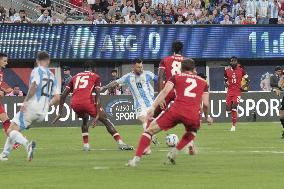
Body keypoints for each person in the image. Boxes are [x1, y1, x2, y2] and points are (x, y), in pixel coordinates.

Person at [126, 59, 213, 167]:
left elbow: (165, 92)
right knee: (192, 131)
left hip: (176, 110)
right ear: (194, 69)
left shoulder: (176, 77)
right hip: (192, 114)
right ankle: (174, 152)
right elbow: (205, 104)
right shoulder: (204, 82)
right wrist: (207, 116)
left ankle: (135, 160)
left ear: (181, 68)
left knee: (149, 131)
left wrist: (153, 107)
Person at [53, 62, 133, 151]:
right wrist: (98, 114)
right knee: (106, 121)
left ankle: (86, 145)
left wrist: (60, 112)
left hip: (75, 103)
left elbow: (63, 95)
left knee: (85, 120)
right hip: (87, 102)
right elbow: (98, 97)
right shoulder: (95, 76)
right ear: (93, 68)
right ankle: (121, 143)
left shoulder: (75, 77)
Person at [0, 51, 60, 161]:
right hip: (43, 112)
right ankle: (4, 155)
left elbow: (34, 86)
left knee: (10, 130)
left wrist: (26, 102)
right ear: (49, 61)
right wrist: (47, 105)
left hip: (32, 107)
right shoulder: (52, 75)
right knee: (13, 128)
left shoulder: (36, 71)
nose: (6, 62)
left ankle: (27, 144)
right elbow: (57, 97)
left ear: (37, 61)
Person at [101, 58, 158, 154]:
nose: (140, 69)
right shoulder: (128, 77)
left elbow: (159, 79)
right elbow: (115, 82)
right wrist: (104, 87)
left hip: (150, 104)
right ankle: (149, 143)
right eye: (138, 67)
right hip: (139, 104)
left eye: (141, 66)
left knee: (147, 122)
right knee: (144, 120)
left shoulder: (147, 74)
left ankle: (148, 144)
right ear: (133, 67)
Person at [224, 56, 248, 132]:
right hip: (229, 92)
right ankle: (231, 113)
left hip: (237, 92)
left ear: (237, 62)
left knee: (234, 107)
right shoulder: (226, 71)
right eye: (232, 61)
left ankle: (233, 126)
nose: (233, 62)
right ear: (230, 62)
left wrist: (243, 86)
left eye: (235, 61)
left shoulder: (241, 70)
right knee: (228, 110)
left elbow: (248, 79)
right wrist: (226, 84)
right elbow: (225, 80)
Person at [0, 53, 12, 140]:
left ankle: (14, 142)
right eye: (4, 61)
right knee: (6, 120)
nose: (6, 63)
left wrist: (4, 90)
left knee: (6, 120)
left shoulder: (1, 71)